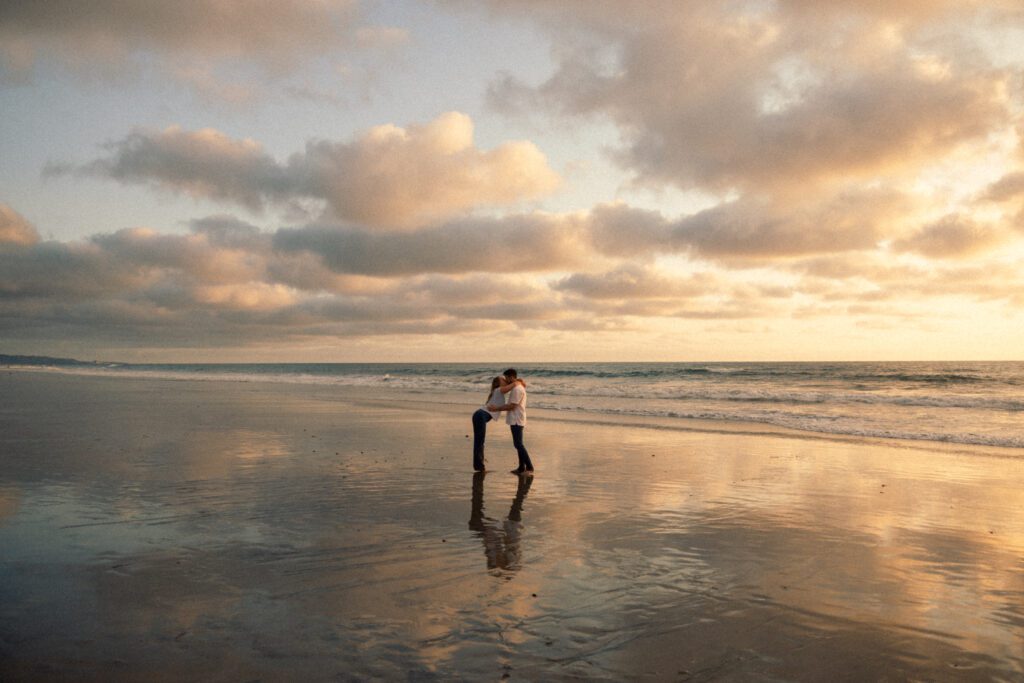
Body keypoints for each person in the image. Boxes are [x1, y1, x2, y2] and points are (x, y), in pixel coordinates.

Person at [487, 368, 534, 475]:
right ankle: (521, 467)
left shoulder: (517, 389)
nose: (506, 380)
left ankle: (530, 467)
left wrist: (496, 409)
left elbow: (512, 406)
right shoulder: (517, 387)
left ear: (511, 377)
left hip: (517, 419)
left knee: (518, 444)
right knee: (518, 444)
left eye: (506, 378)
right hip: (516, 418)